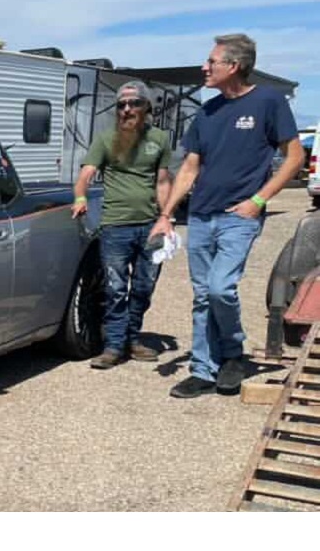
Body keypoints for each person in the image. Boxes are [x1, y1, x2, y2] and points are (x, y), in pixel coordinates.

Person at [150, 34, 305, 398]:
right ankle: (204, 370)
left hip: (239, 216)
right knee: (203, 295)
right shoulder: (207, 111)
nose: (204, 68)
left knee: (221, 288)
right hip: (202, 215)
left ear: (233, 66)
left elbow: (295, 157)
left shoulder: (269, 101)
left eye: (211, 62)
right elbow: (190, 167)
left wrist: (259, 201)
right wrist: (167, 214)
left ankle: (233, 351)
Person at [72, 81, 172, 369]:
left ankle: (132, 339)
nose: (127, 109)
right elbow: (86, 173)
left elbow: (163, 180)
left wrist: (166, 217)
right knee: (116, 288)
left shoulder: (160, 139)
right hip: (116, 226)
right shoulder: (105, 139)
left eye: (134, 103)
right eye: (121, 105)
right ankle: (114, 346)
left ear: (147, 107)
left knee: (144, 286)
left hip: (151, 226)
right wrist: (80, 196)